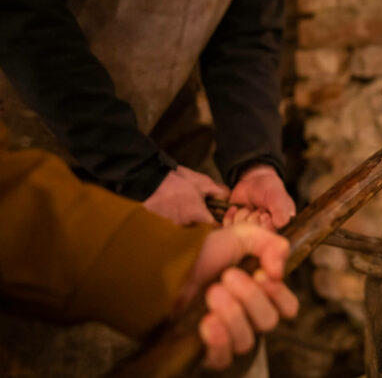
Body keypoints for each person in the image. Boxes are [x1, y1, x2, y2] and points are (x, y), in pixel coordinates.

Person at [0, 0, 298, 229]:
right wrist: (139, 171)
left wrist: (256, 163)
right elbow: (17, 0)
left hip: (134, 142)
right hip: (13, 148)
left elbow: (244, 42)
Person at [0, 122, 298, 372]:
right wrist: (143, 174)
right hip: (68, 195)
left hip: (176, 162)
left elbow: (243, 51)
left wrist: (255, 160)